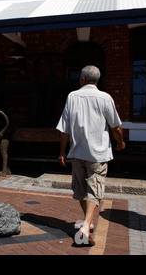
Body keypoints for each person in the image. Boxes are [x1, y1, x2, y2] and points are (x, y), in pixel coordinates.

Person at [56, 65, 125, 247]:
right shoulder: (105, 98)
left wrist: (62, 151)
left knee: (80, 189)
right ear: (97, 80)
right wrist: (120, 143)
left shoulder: (72, 97)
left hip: (77, 152)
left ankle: (88, 221)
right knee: (94, 190)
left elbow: (64, 129)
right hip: (98, 153)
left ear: (83, 79)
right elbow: (115, 127)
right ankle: (86, 226)